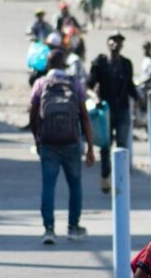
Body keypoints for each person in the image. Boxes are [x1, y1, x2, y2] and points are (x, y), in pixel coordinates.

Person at [29, 49, 95, 244]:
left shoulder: (40, 84)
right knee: (75, 185)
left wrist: (37, 139)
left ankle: (49, 229)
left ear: (48, 65)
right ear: (64, 64)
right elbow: (84, 116)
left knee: (48, 186)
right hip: (71, 142)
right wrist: (90, 147)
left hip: (48, 143)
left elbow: (33, 116)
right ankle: (73, 227)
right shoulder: (75, 84)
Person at [87, 31, 139, 193]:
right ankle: (105, 176)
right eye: (112, 41)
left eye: (118, 42)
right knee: (105, 145)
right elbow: (89, 85)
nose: (115, 44)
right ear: (107, 43)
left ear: (122, 45)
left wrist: (139, 98)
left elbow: (130, 85)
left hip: (122, 109)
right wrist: (95, 98)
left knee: (122, 145)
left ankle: (121, 179)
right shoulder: (99, 63)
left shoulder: (126, 64)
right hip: (106, 111)